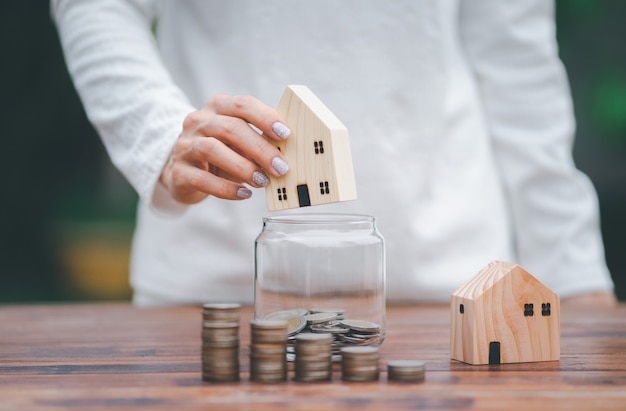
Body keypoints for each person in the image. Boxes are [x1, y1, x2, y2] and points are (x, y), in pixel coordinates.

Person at [52, 0, 616, 306]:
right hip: (214, 284)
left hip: (450, 286)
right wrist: (159, 136)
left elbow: (516, 65)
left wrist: (572, 269)